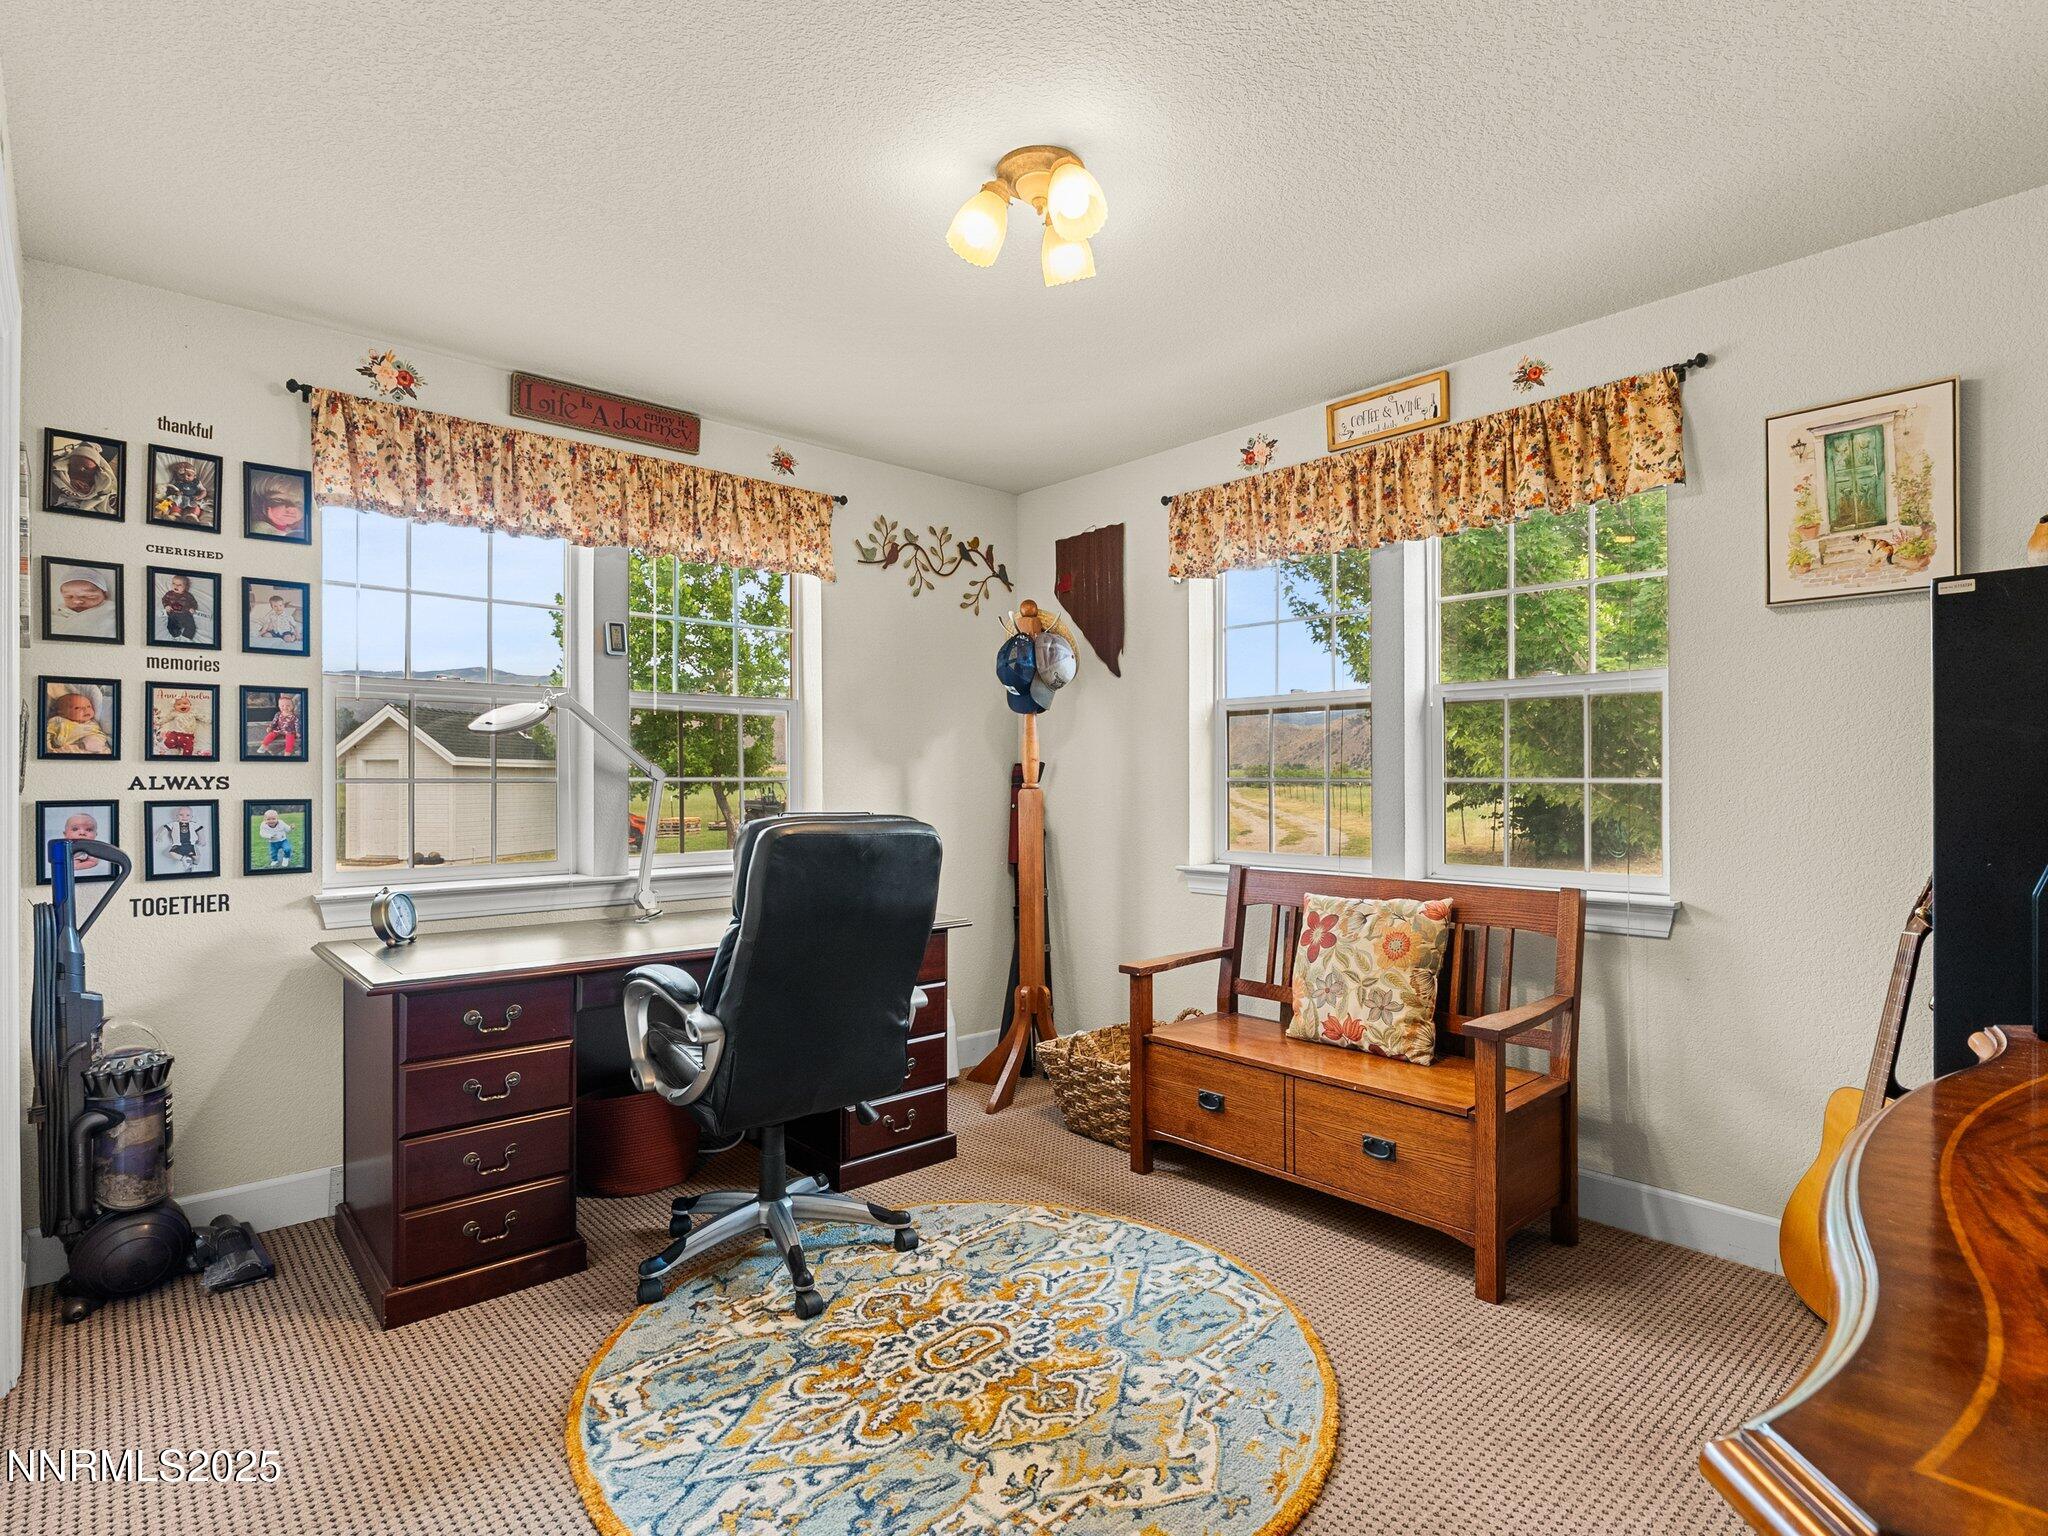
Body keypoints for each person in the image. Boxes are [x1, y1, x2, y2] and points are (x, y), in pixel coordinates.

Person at [49, 574, 114, 640]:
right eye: (68, 597)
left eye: (88, 596)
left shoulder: (111, 611)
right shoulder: (55, 616)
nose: (77, 601)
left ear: (105, 594)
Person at [45, 691, 112, 754]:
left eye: (89, 706)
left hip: (93, 749)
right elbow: (46, 734)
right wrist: (48, 749)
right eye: (77, 708)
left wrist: (93, 740)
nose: (86, 710)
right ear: (62, 713)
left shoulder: (93, 723)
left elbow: (101, 735)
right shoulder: (58, 721)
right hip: (66, 749)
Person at [54, 810, 106, 878]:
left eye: (89, 830)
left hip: (80, 859)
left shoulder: (91, 847)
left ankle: (74, 867)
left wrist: (77, 866)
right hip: (67, 859)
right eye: (75, 829)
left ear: (95, 835)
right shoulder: (63, 845)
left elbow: (94, 860)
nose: (82, 833)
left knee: (94, 860)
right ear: (65, 834)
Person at [257, 692, 301, 756]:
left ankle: (287, 752)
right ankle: (264, 745)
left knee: (290, 740)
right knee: (271, 734)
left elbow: (297, 724)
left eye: (288, 706)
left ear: (292, 706)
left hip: (290, 731)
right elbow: (274, 722)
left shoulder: (294, 716)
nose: (285, 707)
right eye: (282, 706)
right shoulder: (278, 714)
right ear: (279, 706)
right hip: (279, 729)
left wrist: (297, 732)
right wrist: (270, 727)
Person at [160, 573, 201, 641]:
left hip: (185, 614)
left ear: (185, 587)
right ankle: (176, 635)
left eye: (179, 585)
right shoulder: (169, 594)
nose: (176, 586)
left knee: (191, 627)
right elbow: (164, 600)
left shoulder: (188, 595)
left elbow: (194, 603)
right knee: (171, 627)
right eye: (173, 583)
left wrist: (193, 608)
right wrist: (166, 606)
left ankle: (185, 638)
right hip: (173, 614)